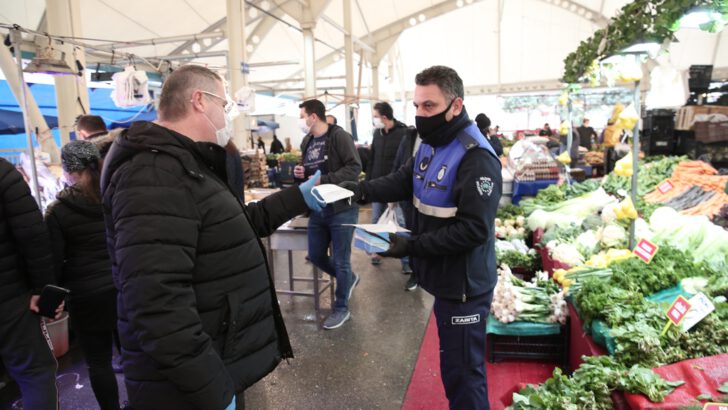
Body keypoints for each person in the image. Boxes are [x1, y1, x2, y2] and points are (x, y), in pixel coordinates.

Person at [100, 65, 324, 410]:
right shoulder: (153, 175)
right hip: (185, 388)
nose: (227, 116)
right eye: (225, 105)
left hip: (213, 356)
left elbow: (228, 228)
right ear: (200, 101)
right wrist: (213, 391)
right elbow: (157, 303)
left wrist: (297, 198)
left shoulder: (183, 163)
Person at [341, 66, 502, 409]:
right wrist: (358, 191)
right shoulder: (430, 143)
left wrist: (411, 246)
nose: (419, 115)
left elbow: (474, 230)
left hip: (465, 285)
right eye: (415, 106)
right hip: (442, 277)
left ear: (456, 106)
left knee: (464, 375)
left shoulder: (476, 156)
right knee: (453, 369)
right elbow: (403, 179)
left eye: (428, 106)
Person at [45, 141, 121, 410]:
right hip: (124, 286)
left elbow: (52, 262)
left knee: (99, 363)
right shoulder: (115, 194)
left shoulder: (58, 210)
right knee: (137, 356)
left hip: (87, 296)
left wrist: (51, 301)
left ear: (67, 169)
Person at [0, 158, 63, 410]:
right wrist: (44, 290)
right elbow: (33, 235)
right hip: (11, 298)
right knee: (35, 373)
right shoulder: (3, 172)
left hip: (10, 295)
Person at [294, 99, 362, 330]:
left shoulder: (339, 137)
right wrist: (300, 172)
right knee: (315, 255)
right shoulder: (307, 141)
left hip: (342, 208)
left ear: (313, 117)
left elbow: (354, 168)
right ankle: (349, 279)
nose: (301, 121)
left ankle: (341, 307)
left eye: (302, 116)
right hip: (318, 207)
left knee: (342, 261)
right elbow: (308, 174)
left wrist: (324, 178)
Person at [367, 102, 409, 268]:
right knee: (376, 220)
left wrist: (397, 191)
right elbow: (372, 159)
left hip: (396, 187)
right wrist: (368, 183)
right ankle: (377, 251)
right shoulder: (377, 134)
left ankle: (406, 260)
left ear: (384, 117)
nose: (374, 119)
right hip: (377, 185)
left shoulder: (403, 133)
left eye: (375, 116)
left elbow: (404, 163)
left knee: (400, 224)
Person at [392, 126, 420, 291]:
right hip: (409, 198)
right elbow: (397, 166)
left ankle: (430, 271)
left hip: (433, 199)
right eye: (417, 107)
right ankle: (415, 273)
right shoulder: (409, 137)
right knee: (412, 233)